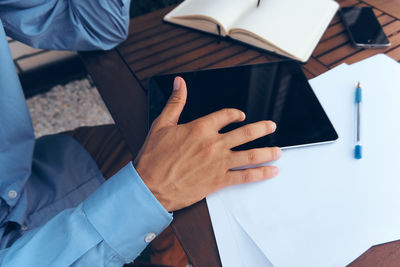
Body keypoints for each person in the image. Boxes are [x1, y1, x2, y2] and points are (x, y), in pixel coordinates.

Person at [0, 0, 281, 266]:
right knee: (188, 192)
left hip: (29, 179)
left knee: (207, 170)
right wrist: (150, 192)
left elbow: (98, 27)